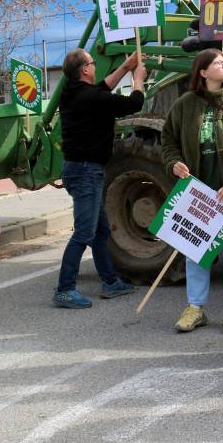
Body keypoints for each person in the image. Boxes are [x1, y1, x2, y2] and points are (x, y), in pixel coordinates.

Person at [160, 49, 223, 333]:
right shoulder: (184, 105)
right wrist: (174, 163)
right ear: (202, 72)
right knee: (196, 254)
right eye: (217, 63)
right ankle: (195, 308)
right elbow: (168, 139)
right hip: (198, 195)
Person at [53, 48, 145, 308]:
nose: (95, 66)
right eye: (92, 63)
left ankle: (110, 282)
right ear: (84, 70)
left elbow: (103, 87)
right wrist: (138, 78)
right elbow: (133, 104)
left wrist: (126, 66)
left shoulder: (72, 92)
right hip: (86, 171)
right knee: (84, 232)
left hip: (81, 170)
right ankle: (64, 289)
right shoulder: (90, 98)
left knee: (100, 230)